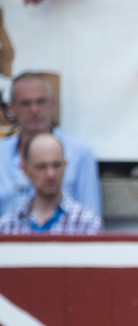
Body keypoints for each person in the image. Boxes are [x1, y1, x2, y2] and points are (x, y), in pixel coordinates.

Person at [0, 71, 101, 219]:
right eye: (25, 103)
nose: (34, 110)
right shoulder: (1, 154)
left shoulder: (79, 152)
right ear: (11, 109)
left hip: (66, 233)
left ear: (52, 104)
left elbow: (92, 218)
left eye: (40, 101)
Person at [0, 130, 101, 234]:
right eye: (41, 167)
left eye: (56, 165)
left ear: (65, 166)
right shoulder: (7, 226)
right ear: (25, 169)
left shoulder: (86, 223)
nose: (50, 174)